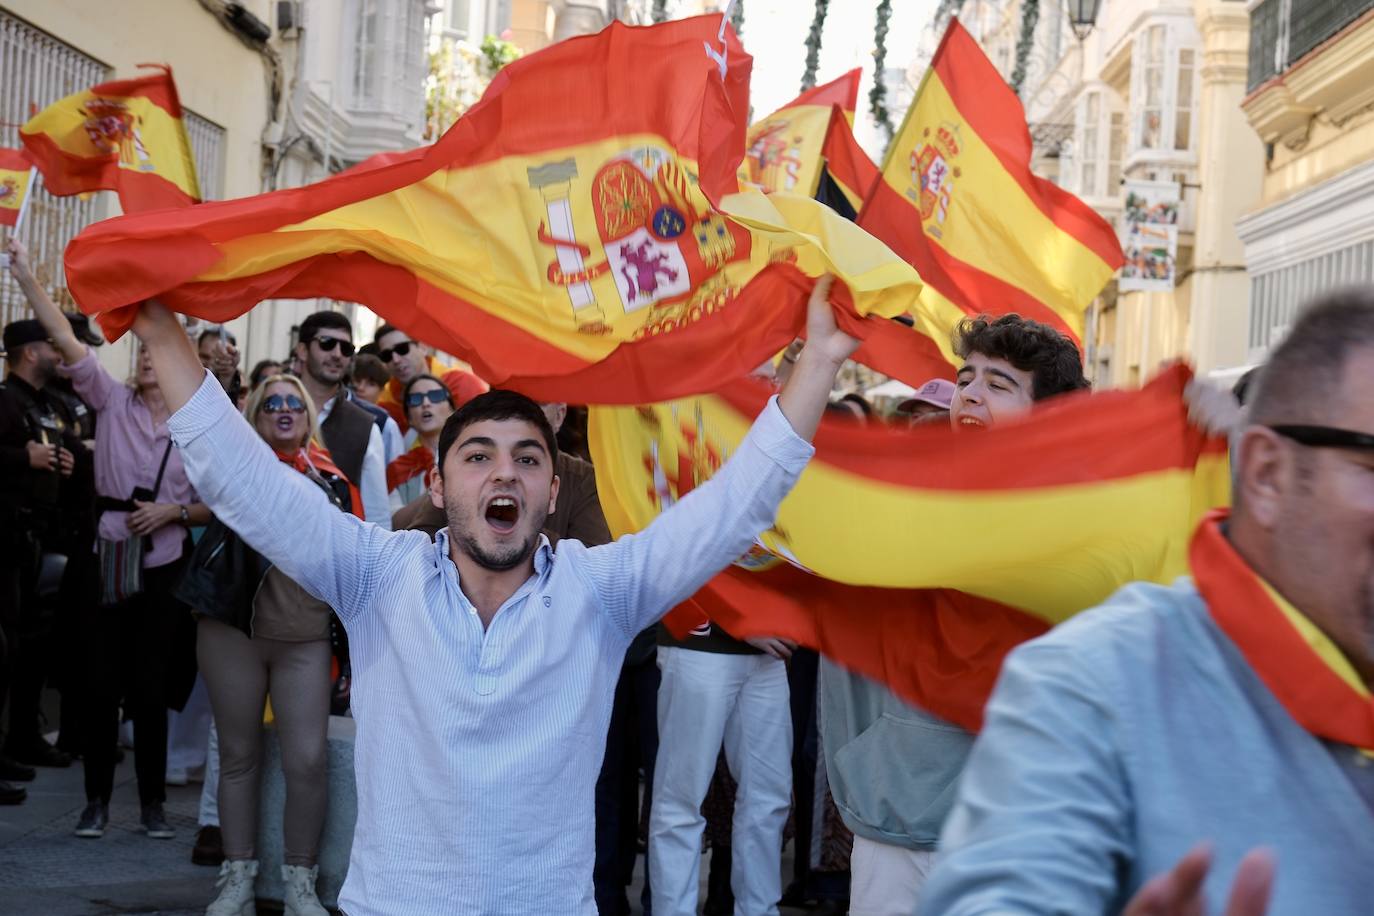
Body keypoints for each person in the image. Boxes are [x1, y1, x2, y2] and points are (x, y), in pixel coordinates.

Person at [132, 271, 856, 915]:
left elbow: (737, 506)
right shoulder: (377, 575)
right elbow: (241, 480)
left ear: (551, 489)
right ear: (441, 488)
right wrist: (161, 330)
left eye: (527, 459)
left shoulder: (600, 592)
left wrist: (819, 360)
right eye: (478, 457)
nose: (503, 474)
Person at [920, 289, 1374, 914]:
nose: (970, 394)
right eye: (1371, 465)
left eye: (998, 383)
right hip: (911, 803)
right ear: (1266, 473)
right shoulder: (1096, 683)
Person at [819, 314, 1090, 916]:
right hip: (896, 817)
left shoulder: (1081, 526)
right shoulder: (897, 500)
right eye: (966, 378)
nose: (969, 392)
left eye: (999, 384)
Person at [9, 238, 213, 840]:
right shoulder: (109, 399)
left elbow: (219, 503)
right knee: (100, 685)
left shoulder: (194, 423)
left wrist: (175, 511)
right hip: (108, 556)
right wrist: (24, 275)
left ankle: (151, 806)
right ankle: (96, 800)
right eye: (143, 353)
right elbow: (67, 341)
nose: (149, 359)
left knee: (149, 690)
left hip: (164, 564)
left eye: (158, 353)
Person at [178, 373, 359, 916]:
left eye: (293, 404)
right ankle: (237, 876)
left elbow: (354, 560)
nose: (283, 410)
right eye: (270, 404)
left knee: (306, 760)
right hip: (233, 631)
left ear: (308, 417)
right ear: (253, 417)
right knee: (238, 757)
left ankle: (299, 879)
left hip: (303, 635)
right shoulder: (235, 475)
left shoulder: (331, 481)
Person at [0, 318, 84, 801]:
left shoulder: (45, 403)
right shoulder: (5, 400)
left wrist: (69, 460)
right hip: (9, 539)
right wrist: (21, 458)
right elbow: (14, 454)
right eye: (53, 345)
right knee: (6, 647)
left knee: (31, 647)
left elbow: (58, 447)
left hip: (41, 538)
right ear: (30, 352)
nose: (61, 353)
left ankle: (22, 738)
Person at [292, 311, 399, 524]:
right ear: (303, 350)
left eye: (346, 348)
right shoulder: (269, 409)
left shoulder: (365, 426)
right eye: (327, 343)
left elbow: (377, 517)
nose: (337, 354)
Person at [373, 323, 487, 433]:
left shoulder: (462, 385)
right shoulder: (385, 402)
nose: (396, 360)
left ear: (422, 347)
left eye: (402, 349)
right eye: (386, 355)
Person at [385, 374, 453, 511]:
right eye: (416, 399)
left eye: (435, 395)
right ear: (408, 417)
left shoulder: (473, 458)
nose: (426, 403)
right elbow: (393, 521)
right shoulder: (398, 469)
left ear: (452, 409)